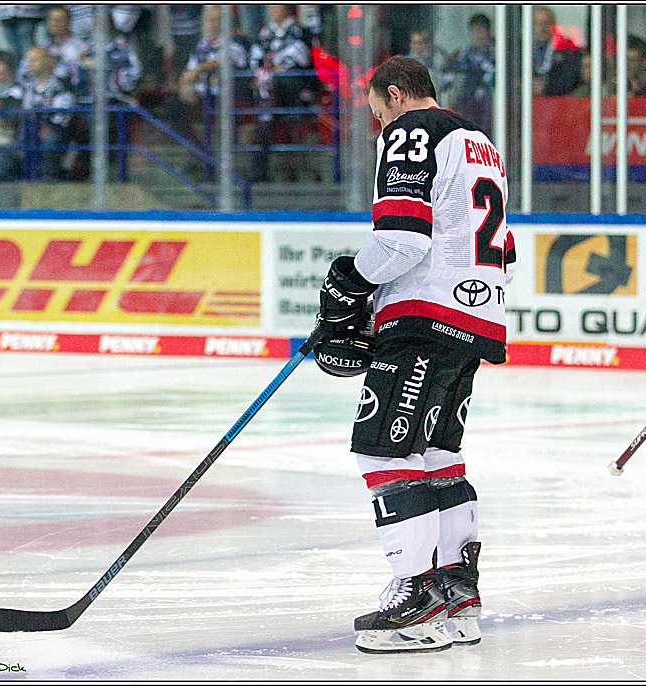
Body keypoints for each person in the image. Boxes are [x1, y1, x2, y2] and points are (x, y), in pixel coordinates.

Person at [313, 55, 512, 653]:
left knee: (383, 451)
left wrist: (349, 282)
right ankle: (456, 594)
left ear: (396, 95)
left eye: (377, 113)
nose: (378, 127)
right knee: (436, 454)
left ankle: (416, 598)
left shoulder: (413, 130)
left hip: (424, 316)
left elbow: (401, 237)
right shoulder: (480, 142)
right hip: (473, 316)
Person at [248, 4, 321, 182]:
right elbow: (255, 58)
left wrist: (274, 64)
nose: (272, 8)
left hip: (295, 92)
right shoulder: (264, 32)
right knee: (264, 108)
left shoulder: (300, 31)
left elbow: (301, 57)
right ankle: (261, 170)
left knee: (273, 93)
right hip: (269, 92)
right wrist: (266, 69)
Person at [20, 46, 75, 181]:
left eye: (35, 60)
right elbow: (26, 112)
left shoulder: (59, 85)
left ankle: (48, 179)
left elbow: (64, 114)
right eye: (29, 60)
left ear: (48, 61)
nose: (31, 64)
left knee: (49, 140)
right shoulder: (28, 87)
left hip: (55, 130)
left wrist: (49, 127)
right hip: (32, 129)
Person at [441, 13, 496, 135]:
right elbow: (447, 78)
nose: (478, 35)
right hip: (467, 106)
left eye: (481, 30)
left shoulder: (497, 54)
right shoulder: (462, 56)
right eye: (475, 31)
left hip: (489, 109)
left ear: (488, 32)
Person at [0, 58, 23, 181]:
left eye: (3, 72)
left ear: (11, 73)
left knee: (0, 163)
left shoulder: (18, 90)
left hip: (10, 139)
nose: (0, 76)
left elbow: (15, 116)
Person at [532, 6, 581, 96]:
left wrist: (547, 89)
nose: (542, 28)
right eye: (537, 24)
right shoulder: (526, 50)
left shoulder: (566, 49)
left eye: (545, 23)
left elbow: (570, 79)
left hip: (557, 102)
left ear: (553, 24)